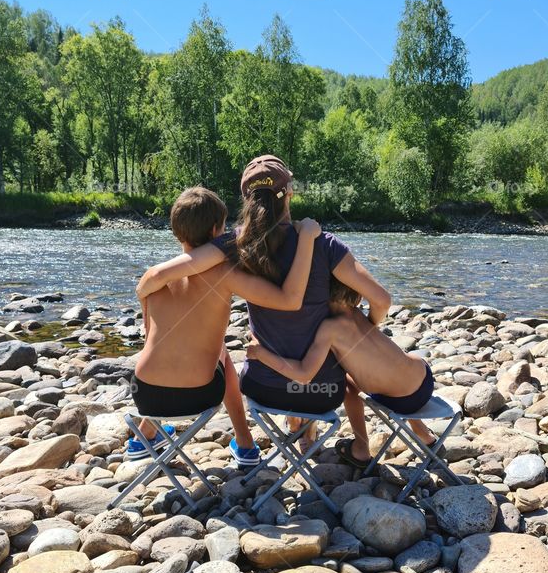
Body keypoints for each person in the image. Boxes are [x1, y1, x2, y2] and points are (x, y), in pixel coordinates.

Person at [137, 155, 390, 465]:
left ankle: (149, 433)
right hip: (322, 392)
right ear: (290, 193)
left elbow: (168, 274)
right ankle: (281, 435)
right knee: (324, 354)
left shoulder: (237, 244)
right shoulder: (324, 244)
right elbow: (378, 300)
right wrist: (365, 328)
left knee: (222, 353)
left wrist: (145, 286)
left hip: (253, 389)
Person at [129, 186, 320, 468]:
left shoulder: (155, 279)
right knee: (223, 355)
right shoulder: (224, 274)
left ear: (175, 230)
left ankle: (145, 432)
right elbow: (286, 300)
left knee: (164, 344)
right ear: (218, 229)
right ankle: (245, 445)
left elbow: (150, 335)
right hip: (197, 393)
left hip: (144, 394)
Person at [246, 276, 437, 466]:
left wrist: (261, 354)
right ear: (357, 297)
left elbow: (304, 375)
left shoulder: (328, 328)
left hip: (400, 402)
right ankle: (424, 434)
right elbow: (381, 305)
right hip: (424, 379)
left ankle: (361, 448)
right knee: (389, 364)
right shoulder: (357, 314)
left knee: (345, 384)